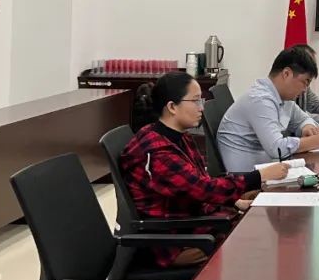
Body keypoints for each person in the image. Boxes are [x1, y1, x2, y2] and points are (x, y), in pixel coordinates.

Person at [119, 71, 292, 267]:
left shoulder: (178, 136)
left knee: (263, 221)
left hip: (193, 223)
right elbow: (203, 188)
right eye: (195, 101)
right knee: (261, 239)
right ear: (172, 107)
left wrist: (235, 202)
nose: (201, 107)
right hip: (175, 242)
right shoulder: (158, 152)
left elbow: (197, 185)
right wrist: (258, 177)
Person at [216, 47, 319, 172]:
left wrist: (306, 127)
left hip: (266, 167)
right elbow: (277, 148)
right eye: (305, 82)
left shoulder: (283, 98)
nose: (305, 90)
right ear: (286, 74)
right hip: (247, 176)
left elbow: (303, 119)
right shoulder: (260, 100)